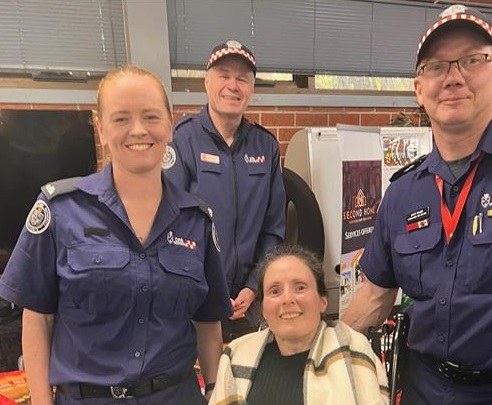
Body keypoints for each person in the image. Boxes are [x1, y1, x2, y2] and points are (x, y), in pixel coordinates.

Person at [342, 4, 492, 405]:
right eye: (436, 67)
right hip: (422, 389)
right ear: (419, 89)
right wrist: (317, 351)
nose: (453, 77)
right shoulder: (404, 191)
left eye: (472, 60)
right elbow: (374, 296)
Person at [0, 65, 233, 405]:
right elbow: (38, 319)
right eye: (121, 118)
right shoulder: (61, 210)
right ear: (101, 128)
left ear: (170, 125)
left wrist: (215, 393)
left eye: (151, 117)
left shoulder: (196, 220)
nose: (138, 130)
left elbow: (208, 324)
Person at [164, 39, 286, 341]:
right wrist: (208, 290)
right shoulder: (183, 140)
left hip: (250, 303)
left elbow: (273, 229)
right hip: (195, 300)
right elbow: (170, 226)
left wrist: (254, 285)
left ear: (251, 89)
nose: (233, 85)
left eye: (242, 79)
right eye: (224, 75)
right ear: (207, 82)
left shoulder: (265, 146)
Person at [209, 244, 389, 404]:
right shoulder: (235, 356)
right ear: (263, 308)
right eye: (275, 291)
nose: (287, 299)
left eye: (300, 287)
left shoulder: (355, 351)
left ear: (322, 301)